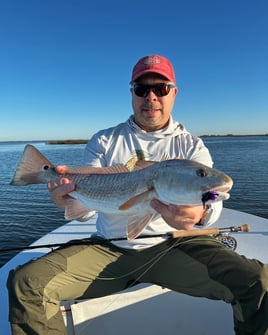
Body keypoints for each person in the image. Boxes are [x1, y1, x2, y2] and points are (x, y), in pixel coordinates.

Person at [7, 55, 268, 335]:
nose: (151, 96)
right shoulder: (105, 140)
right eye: (142, 89)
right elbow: (90, 210)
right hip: (109, 247)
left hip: (177, 246)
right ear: (132, 93)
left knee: (258, 282)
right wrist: (69, 201)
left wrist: (200, 215)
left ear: (174, 93)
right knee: (26, 282)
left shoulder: (191, 147)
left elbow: (213, 199)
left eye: (161, 88)